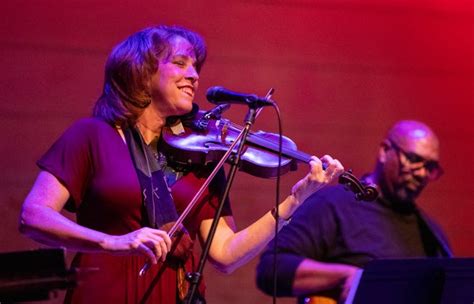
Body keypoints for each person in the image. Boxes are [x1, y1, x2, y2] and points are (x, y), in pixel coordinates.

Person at [18, 25, 344, 304]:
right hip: (103, 291)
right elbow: (34, 215)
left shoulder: (201, 157)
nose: (194, 75)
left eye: (195, 66)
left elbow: (225, 254)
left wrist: (295, 201)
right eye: (180, 63)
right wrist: (112, 242)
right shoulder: (91, 136)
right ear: (141, 71)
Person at [256, 120, 451, 303]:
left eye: (430, 167)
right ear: (385, 151)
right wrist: (350, 276)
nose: (422, 173)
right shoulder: (332, 205)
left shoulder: (431, 235)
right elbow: (271, 268)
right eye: (414, 159)